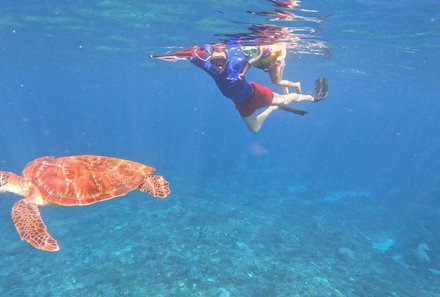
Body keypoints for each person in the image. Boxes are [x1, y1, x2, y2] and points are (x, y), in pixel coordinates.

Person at [150, 42, 328, 133]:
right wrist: (162, 56)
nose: (218, 65)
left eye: (221, 61)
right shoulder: (208, 66)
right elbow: (188, 55)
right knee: (255, 130)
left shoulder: (236, 62)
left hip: (257, 95)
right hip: (241, 104)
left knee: (287, 98)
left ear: (227, 59)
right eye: (215, 62)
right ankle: (273, 108)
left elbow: (255, 52)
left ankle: (313, 97)